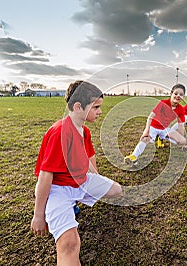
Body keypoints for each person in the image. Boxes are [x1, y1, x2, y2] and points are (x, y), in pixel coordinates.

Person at [31, 80, 123, 265]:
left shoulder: (85, 131)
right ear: (78, 107)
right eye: (96, 107)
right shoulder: (60, 133)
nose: (100, 112)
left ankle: (73, 201)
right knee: (70, 244)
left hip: (81, 181)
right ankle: (63, 206)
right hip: (58, 189)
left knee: (117, 190)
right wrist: (38, 215)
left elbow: (89, 158)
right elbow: (45, 176)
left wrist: (97, 181)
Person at [124, 83, 187, 165]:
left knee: (183, 141)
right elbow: (150, 117)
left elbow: (181, 125)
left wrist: (181, 141)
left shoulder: (181, 109)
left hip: (165, 129)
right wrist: (146, 131)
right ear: (171, 94)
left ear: (183, 97)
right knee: (145, 139)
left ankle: (161, 137)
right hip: (153, 127)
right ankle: (133, 156)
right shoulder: (163, 103)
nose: (178, 96)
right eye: (176, 93)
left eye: (181, 94)